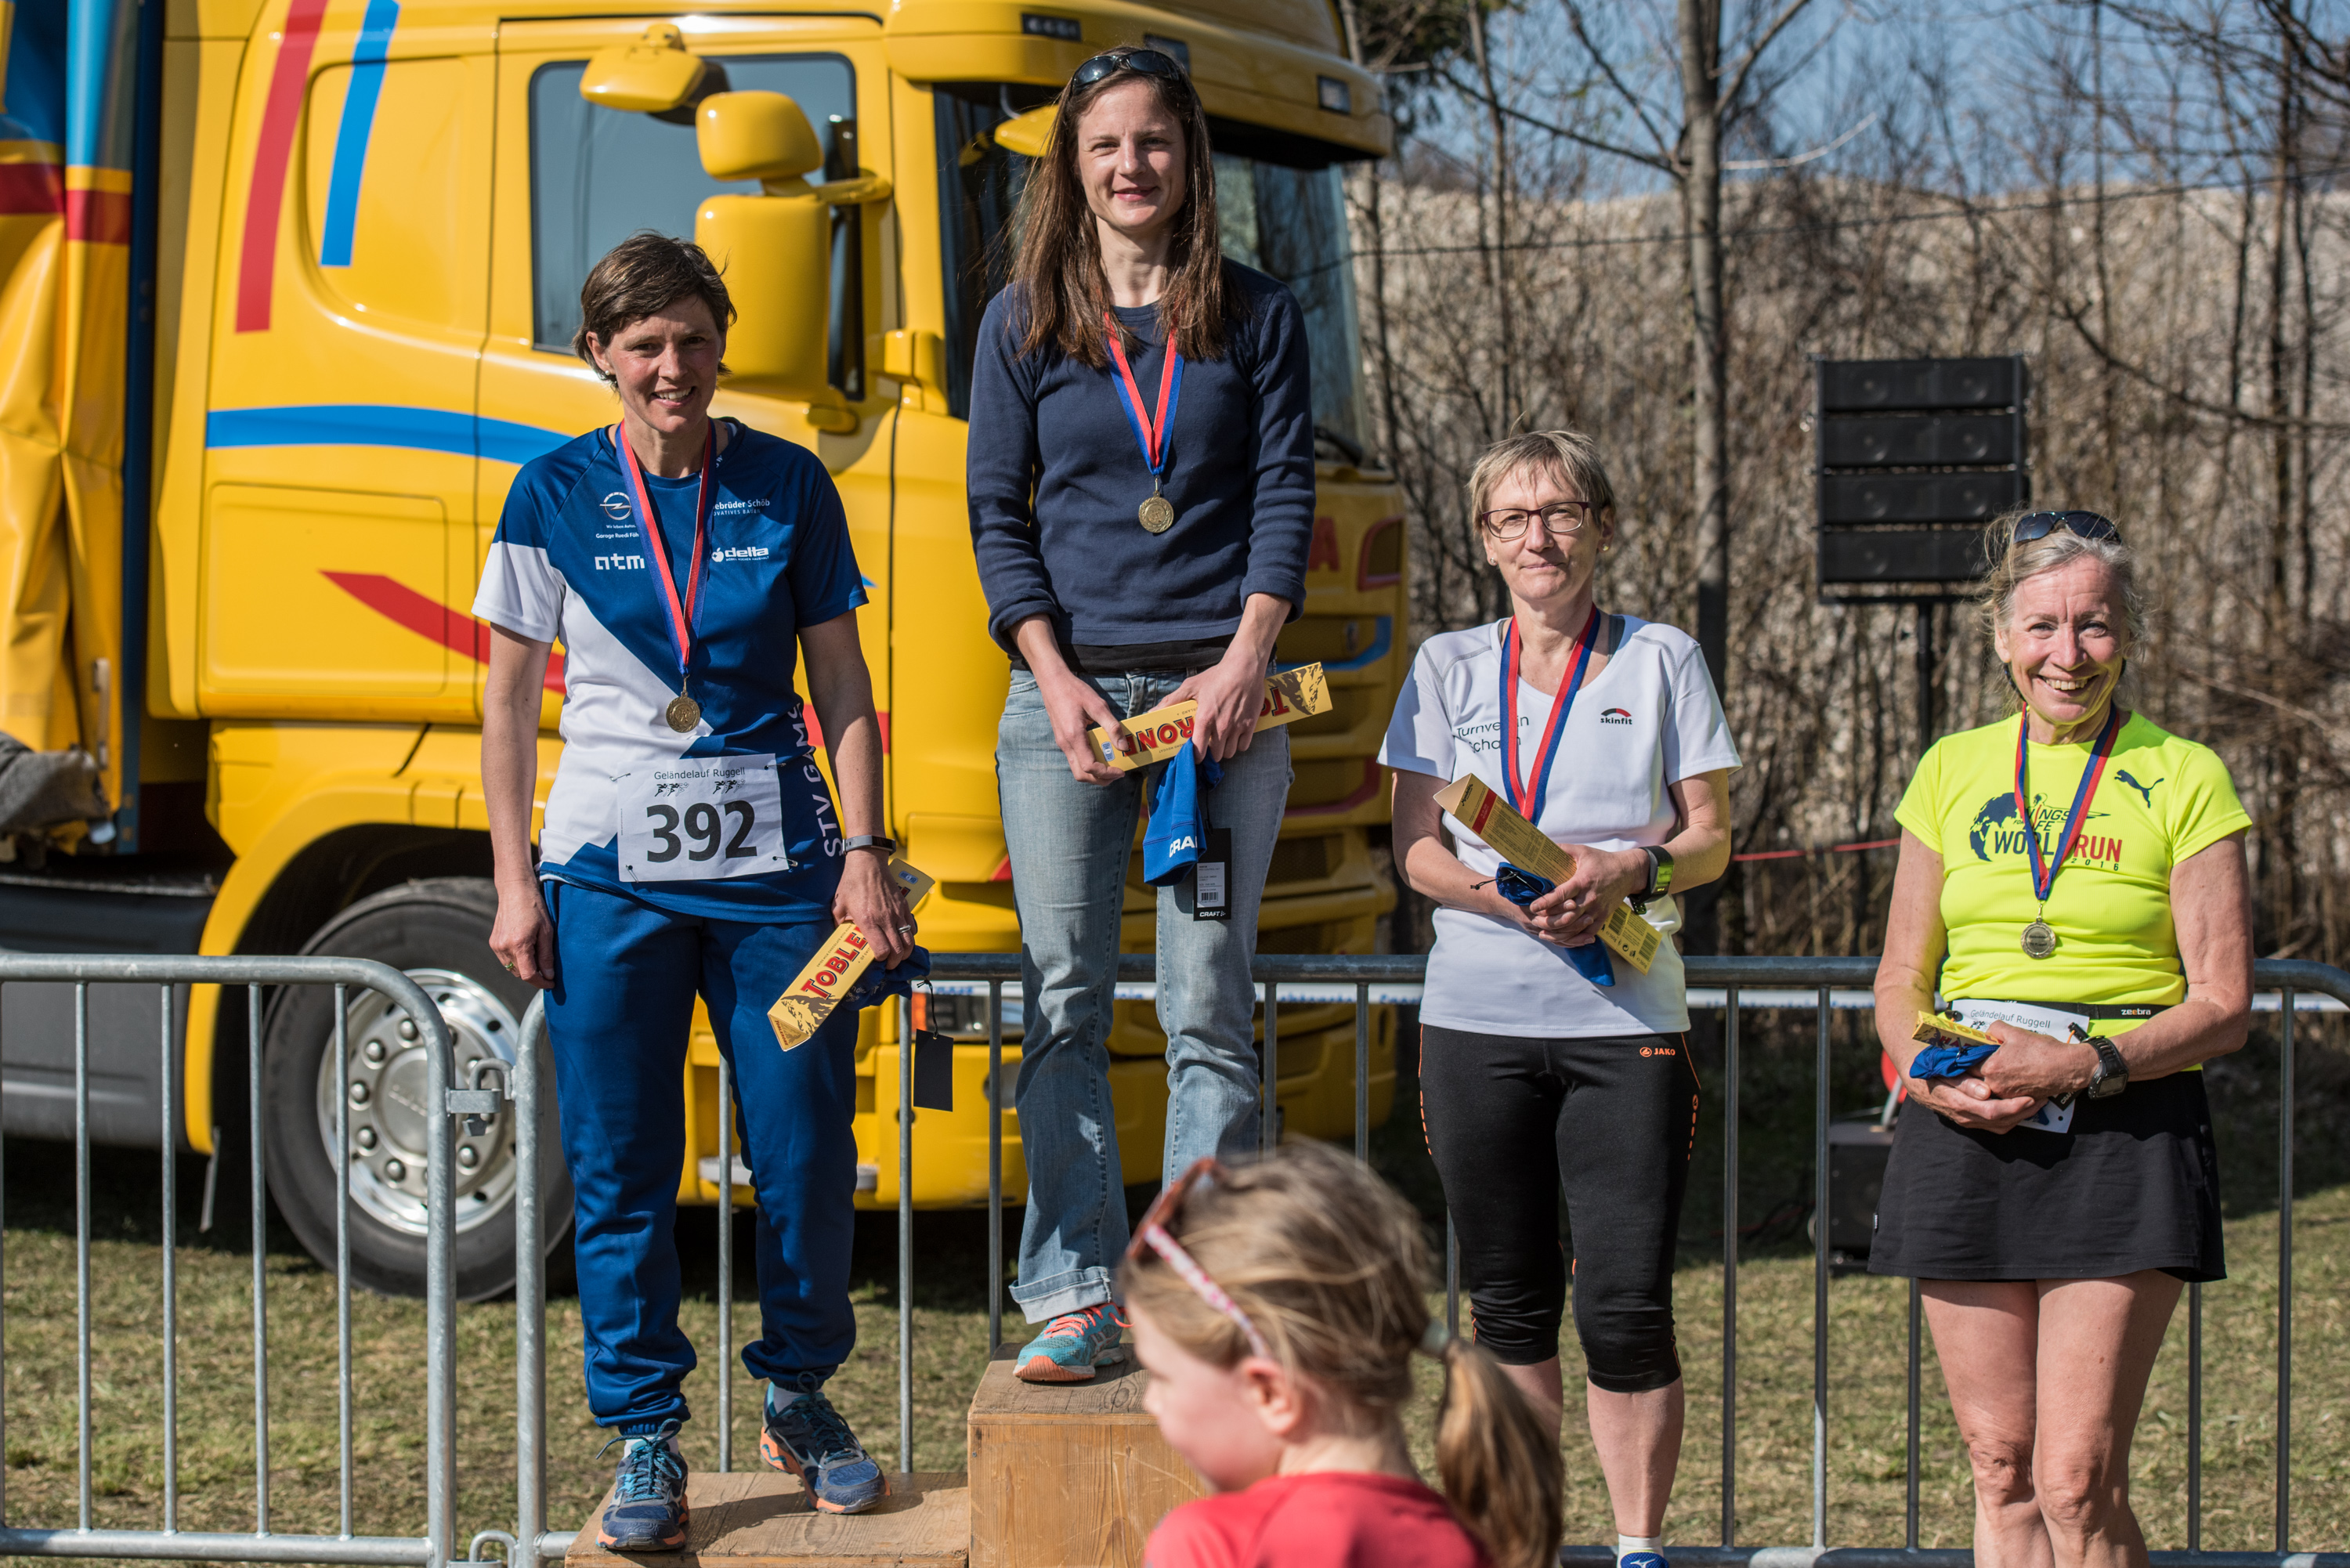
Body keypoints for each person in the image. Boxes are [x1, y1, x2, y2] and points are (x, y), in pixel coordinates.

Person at [476, 233, 914, 1548]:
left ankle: (800, 1392)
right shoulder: (551, 492)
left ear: (723, 346)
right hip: (606, 879)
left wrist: (866, 850)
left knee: (804, 1145)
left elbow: (843, 683)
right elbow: (506, 703)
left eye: (694, 340)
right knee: (621, 1161)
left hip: (780, 882)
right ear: (600, 355)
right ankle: (644, 1431)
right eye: (645, 344)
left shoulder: (788, 482)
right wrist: (514, 881)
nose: (673, 366)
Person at [966, 45, 1315, 1382]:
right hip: (1066, 709)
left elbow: (1284, 496)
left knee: (1205, 1007)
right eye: (1105, 143)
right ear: (1073, 164)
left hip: (1215, 716)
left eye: (1154, 140)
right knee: (1062, 999)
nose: (1131, 165)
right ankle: (1074, 1291)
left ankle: (1195, 1296)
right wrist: (1051, 675)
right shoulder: (1022, 320)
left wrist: (1242, 664)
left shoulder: (1257, 313)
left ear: (1189, 155)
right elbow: (997, 515)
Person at [1378, 431, 1737, 1568]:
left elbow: (1713, 837)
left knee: (1626, 1305)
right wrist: (1504, 897)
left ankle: (1639, 1546)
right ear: (1486, 539)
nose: (1539, 537)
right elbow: (1416, 849)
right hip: (1476, 1022)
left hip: (1626, 1023)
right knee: (1508, 1302)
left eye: (1563, 512)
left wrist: (1629, 869)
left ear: (1603, 526)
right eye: (1513, 518)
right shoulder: (1445, 665)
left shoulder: (1663, 657)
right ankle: (1523, 1543)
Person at [1871, 509, 2253, 1568]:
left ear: (2130, 632)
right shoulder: (1950, 768)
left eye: (2094, 624)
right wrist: (1924, 1075)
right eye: (2042, 626)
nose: (2067, 654)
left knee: (2076, 1480)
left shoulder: (2186, 774)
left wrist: (2084, 1063)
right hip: (1967, 1120)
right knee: (2002, 1468)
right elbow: (1899, 979)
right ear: (2002, 636)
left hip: (2126, 1124)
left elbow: (2226, 1000)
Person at [1125, 1143, 1563, 1568]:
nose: (1151, 1402)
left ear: (1270, 1391)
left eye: (1161, 1378)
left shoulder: (1210, 1545)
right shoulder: (1481, 1549)